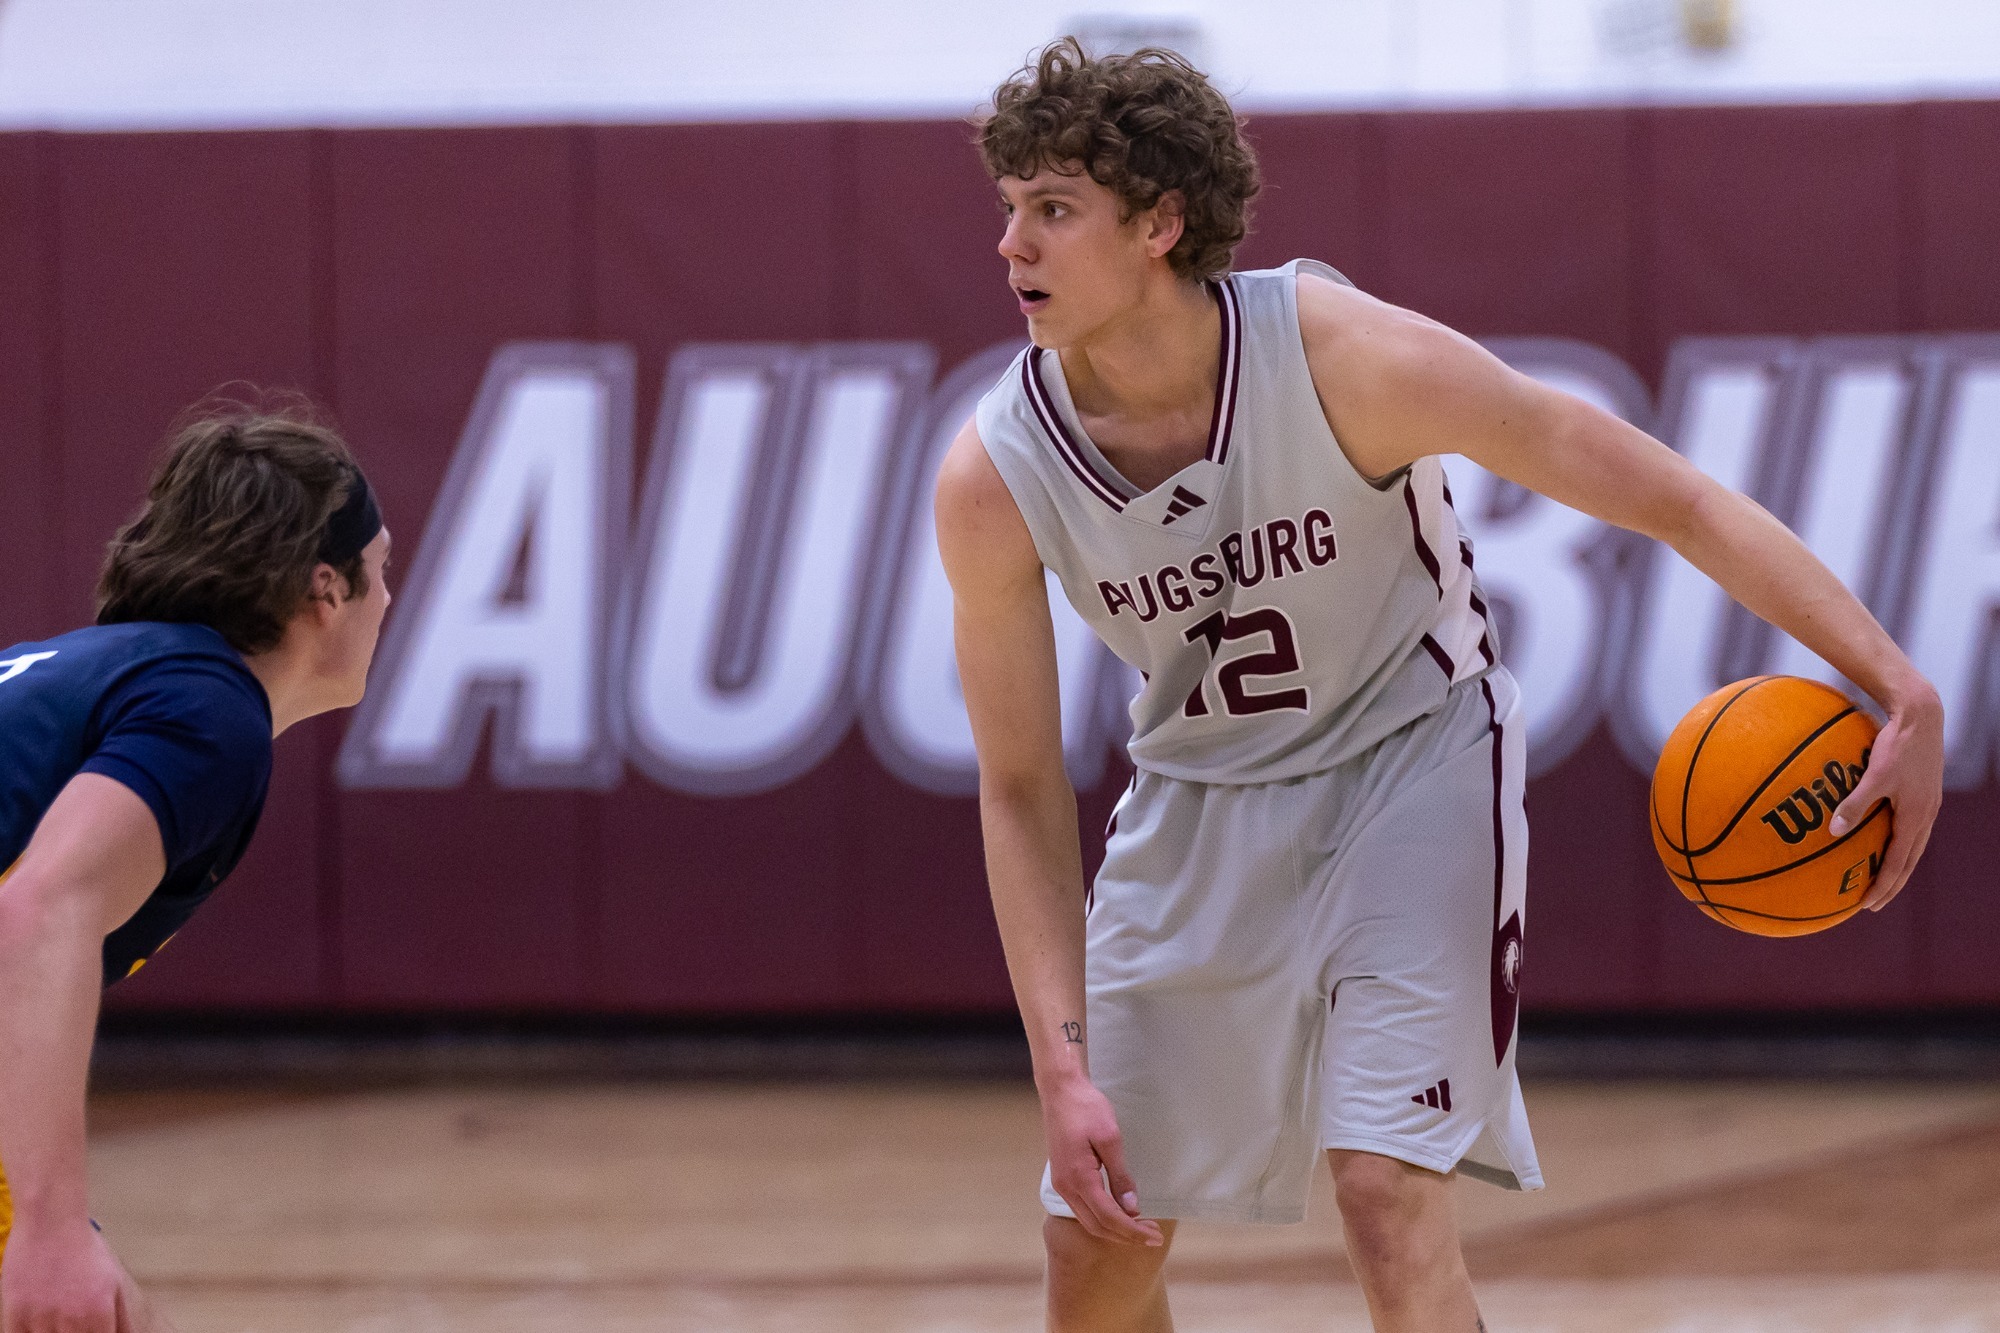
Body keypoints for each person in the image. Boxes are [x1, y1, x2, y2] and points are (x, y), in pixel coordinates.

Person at [934, 39, 1944, 1333]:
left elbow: (1673, 498)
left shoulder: (1351, 360)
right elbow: (1017, 787)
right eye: (1010, 207)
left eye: (1054, 210)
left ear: (1160, 225)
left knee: (1385, 1199)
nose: (1012, 244)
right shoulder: (995, 476)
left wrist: (1894, 683)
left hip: (1412, 771)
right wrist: (1059, 1066)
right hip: (1196, 807)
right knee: (1097, 1247)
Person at [0, 400, 391, 1333]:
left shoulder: (105, 671)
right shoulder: (210, 711)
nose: (390, 600)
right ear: (324, 589)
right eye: (382, 572)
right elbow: (41, 906)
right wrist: (52, 1227)